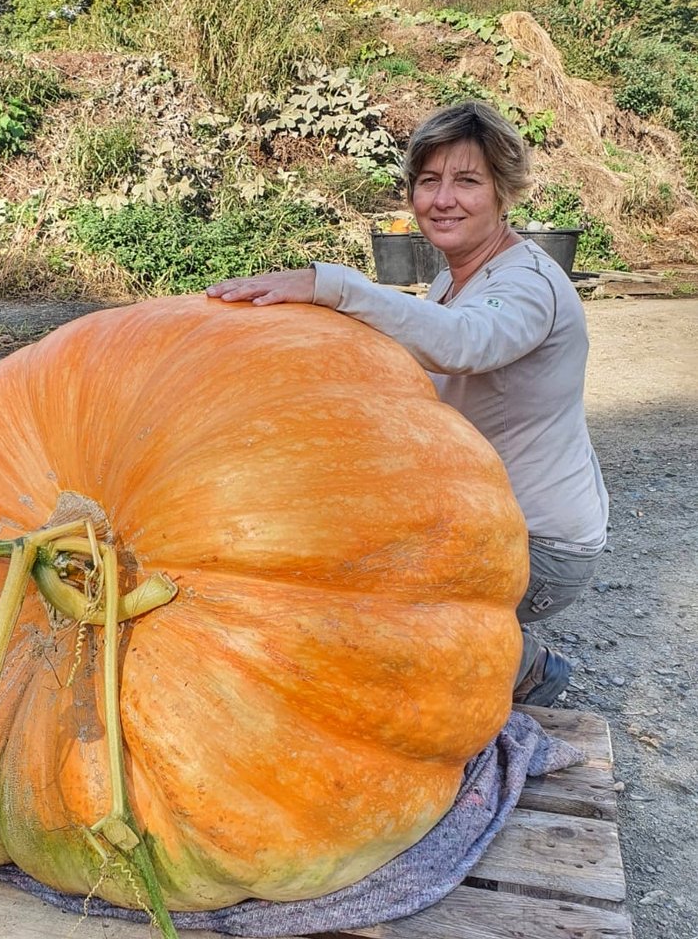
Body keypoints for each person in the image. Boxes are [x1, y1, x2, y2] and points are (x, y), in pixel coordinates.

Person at [206, 99, 609, 707]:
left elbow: (464, 342)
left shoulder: (528, 284)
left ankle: (522, 668)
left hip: (540, 547)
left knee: (355, 600)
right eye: (429, 181)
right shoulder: (456, 275)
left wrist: (334, 286)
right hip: (481, 518)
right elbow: (414, 359)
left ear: (504, 192)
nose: (443, 199)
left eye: (467, 181)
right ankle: (490, 657)